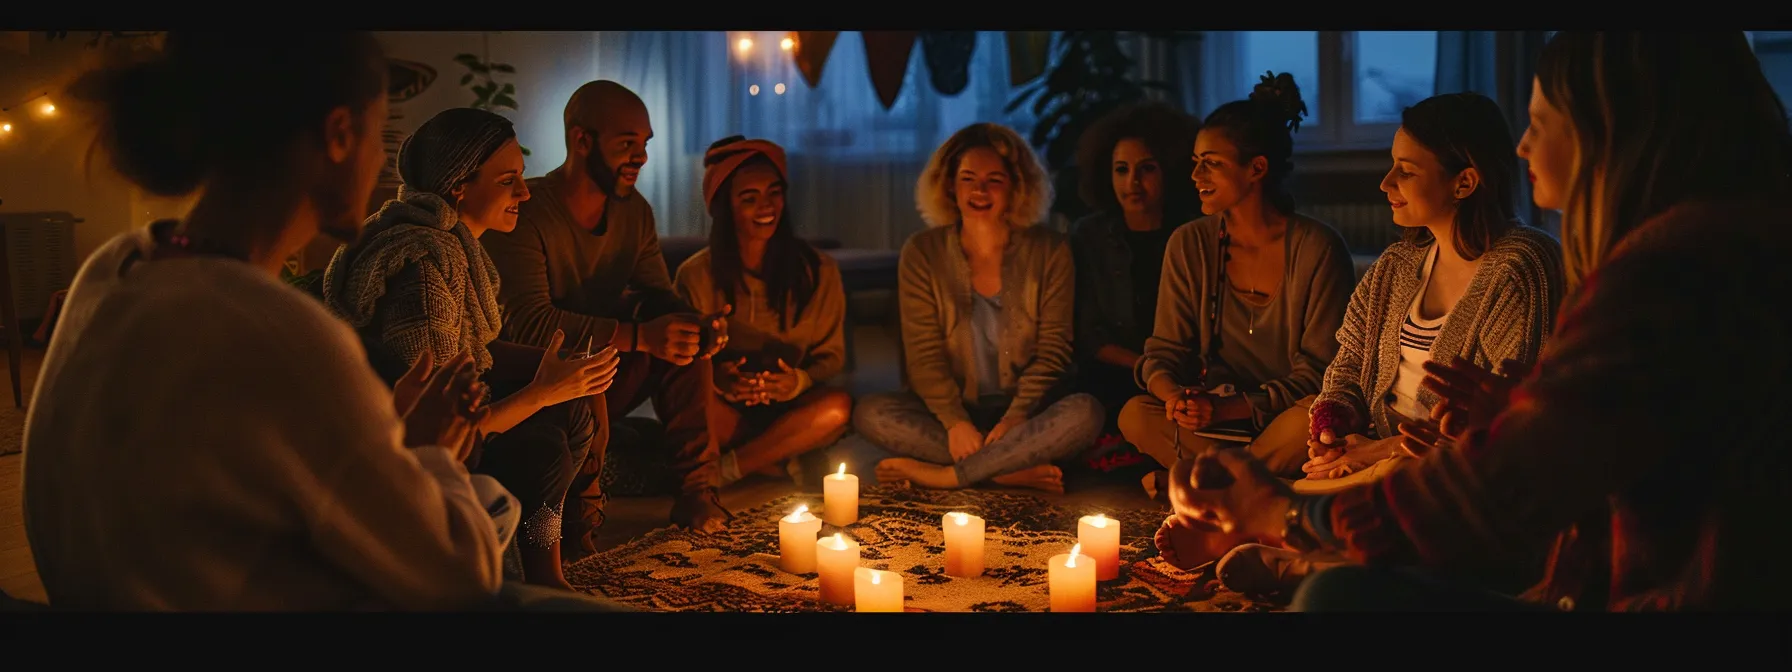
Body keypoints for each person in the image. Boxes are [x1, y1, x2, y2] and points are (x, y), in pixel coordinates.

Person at [1169, 31, 1792, 612]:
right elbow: (1599, 442)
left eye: (1541, 122)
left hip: (1636, 590)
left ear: (1618, 132)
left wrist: (1286, 512)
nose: (1522, 145)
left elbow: (1505, 487)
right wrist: (1513, 410)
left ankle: (1303, 553)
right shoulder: (1713, 247)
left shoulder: (1666, 277)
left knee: (1337, 599)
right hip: (1517, 522)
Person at [23, 31, 505, 610]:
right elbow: (458, 576)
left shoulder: (115, 266)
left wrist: (380, 429)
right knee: (495, 507)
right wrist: (434, 452)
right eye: (381, 133)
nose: (381, 157)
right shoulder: (282, 334)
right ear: (339, 136)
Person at [1202, 92, 1566, 599]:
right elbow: (1346, 365)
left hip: (1442, 466)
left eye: (1405, 171)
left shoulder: (1520, 266)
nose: (1385, 184)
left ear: (1465, 181)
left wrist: (1379, 449)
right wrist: (1334, 424)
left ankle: (1305, 563)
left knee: (1401, 479)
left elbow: (1501, 424)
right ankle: (1290, 533)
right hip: (1370, 452)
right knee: (1307, 445)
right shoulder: (1396, 266)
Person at [319, 107, 618, 590]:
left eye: (521, 177)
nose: (524, 192)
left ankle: (551, 563)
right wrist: (542, 390)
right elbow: (436, 420)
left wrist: (561, 372)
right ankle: (532, 579)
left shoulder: (457, 245)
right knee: (543, 443)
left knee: (574, 403)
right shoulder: (425, 269)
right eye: (508, 181)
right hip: (410, 451)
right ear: (459, 185)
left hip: (449, 420)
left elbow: (473, 352)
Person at [481, 80, 732, 542]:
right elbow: (529, 325)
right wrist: (640, 337)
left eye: (644, 144)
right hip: (537, 385)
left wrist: (695, 326)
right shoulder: (525, 212)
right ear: (581, 140)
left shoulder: (633, 211)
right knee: (596, 356)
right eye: (626, 144)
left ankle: (698, 490)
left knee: (683, 344)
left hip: (605, 372)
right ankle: (579, 519)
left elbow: (657, 293)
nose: (641, 157)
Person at [1117, 72, 1356, 500]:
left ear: (1257, 169)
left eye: (1211, 162)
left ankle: (1209, 486)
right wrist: (1175, 398)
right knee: (1135, 414)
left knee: (1313, 416)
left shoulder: (1317, 248)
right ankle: (1266, 487)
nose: (1195, 174)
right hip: (1214, 426)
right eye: (1194, 161)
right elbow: (1162, 351)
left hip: (1285, 418)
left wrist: (1233, 406)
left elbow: (1324, 373)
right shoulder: (1189, 243)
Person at [854, 123, 1104, 494]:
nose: (980, 190)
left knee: (1086, 413)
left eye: (994, 180)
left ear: (1017, 187)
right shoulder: (922, 251)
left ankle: (949, 475)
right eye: (968, 178)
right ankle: (1007, 469)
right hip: (953, 414)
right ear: (950, 185)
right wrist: (955, 422)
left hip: (1028, 412)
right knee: (870, 413)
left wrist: (1018, 415)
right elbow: (922, 354)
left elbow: (1054, 349)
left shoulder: (1050, 250)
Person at [673, 136, 853, 487]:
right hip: (728, 410)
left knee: (837, 408)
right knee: (688, 403)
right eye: (749, 198)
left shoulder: (819, 270)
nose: (766, 206)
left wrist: (796, 381)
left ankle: (730, 469)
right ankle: (783, 460)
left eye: (774, 193)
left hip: (792, 407)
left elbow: (831, 358)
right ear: (726, 207)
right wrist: (718, 379)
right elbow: (680, 363)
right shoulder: (695, 275)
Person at [1068, 102, 1202, 435]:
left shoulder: (1193, 234)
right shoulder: (1089, 236)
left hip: (1184, 376)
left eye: (1147, 169)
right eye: (1121, 170)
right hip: (1113, 374)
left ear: (1169, 170)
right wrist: (1147, 370)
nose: (1133, 182)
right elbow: (1088, 335)